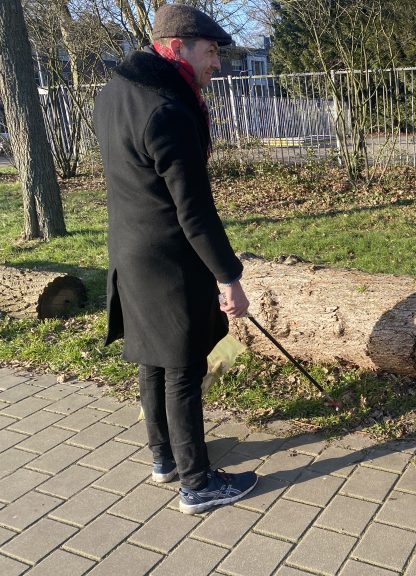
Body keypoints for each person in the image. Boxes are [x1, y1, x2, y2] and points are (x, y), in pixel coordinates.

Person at [94, 4, 258, 514]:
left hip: (129, 247)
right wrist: (228, 277)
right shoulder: (168, 109)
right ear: (178, 47)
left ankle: (164, 460)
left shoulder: (114, 93)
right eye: (210, 52)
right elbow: (194, 211)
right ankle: (198, 484)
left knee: (153, 359)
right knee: (183, 366)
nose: (216, 63)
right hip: (168, 257)